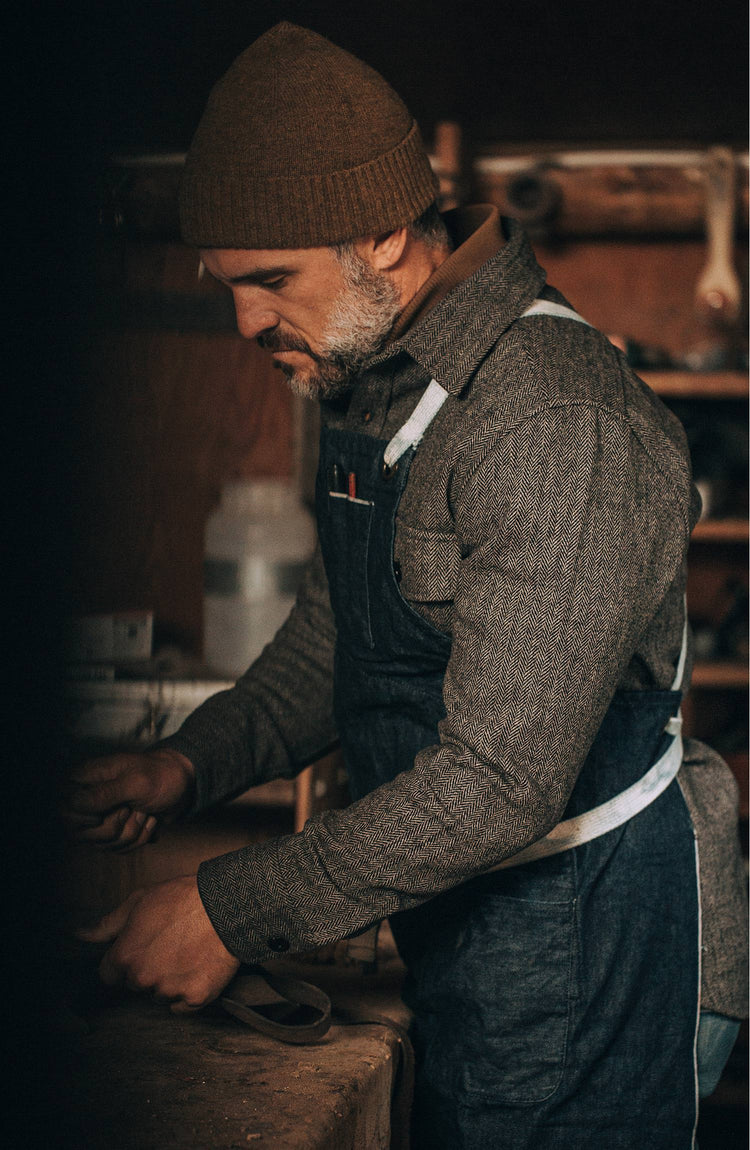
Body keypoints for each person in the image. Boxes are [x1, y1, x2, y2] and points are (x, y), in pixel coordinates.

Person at [66, 22, 748, 1148]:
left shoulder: (551, 416)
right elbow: (344, 639)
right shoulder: (372, 379)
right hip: (467, 923)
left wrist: (229, 910)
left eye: (269, 280)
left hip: (594, 949)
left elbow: (498, 781)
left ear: (381, 237)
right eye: (224, 285)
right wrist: (190, 763)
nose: (242, 321)